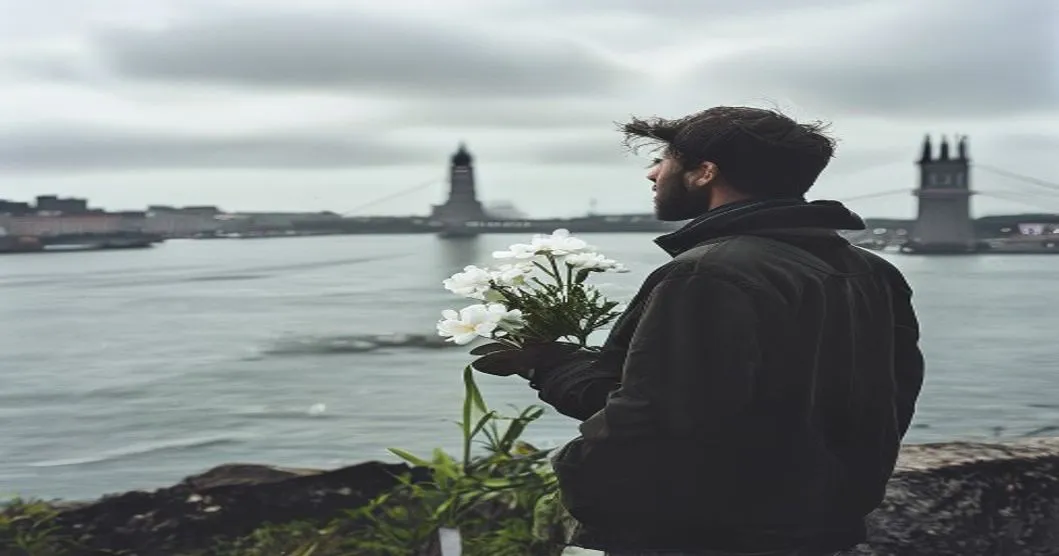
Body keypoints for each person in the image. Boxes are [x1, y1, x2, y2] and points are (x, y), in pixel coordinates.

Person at [472, 106, 925, 556]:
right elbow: (886, 400)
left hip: (704, 537)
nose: (652, 174)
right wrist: (560, 367)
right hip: (817, 529)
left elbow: (658, 422)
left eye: (664, 160)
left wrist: (573, 467)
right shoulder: (874, 272)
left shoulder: (708, 274)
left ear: (704, 172)